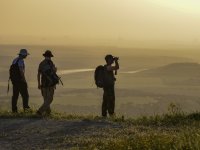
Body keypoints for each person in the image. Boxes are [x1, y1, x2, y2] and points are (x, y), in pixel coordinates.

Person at [37, 50, 57, 115]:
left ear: (45, 56)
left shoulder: (41, 63)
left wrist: (39, 83)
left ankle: (48, 113)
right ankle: (40, 111)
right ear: (50, 56)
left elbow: (38, 74)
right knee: (50, 99)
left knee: (46, 99)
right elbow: (53, 73)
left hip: (43, 83)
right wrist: (55, 70)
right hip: (50, 84)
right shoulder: (51, 63)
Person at [11, 49, 31, 113]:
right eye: (26, 55)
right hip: (20, 81)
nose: (26, 56)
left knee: (15, 96)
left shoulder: (15, 60)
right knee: (25, 95)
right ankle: (26, 109)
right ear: (24, 55)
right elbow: (21, 71)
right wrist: (24, 80)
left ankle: (14, 110)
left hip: (14, 81)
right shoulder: (21, 61)